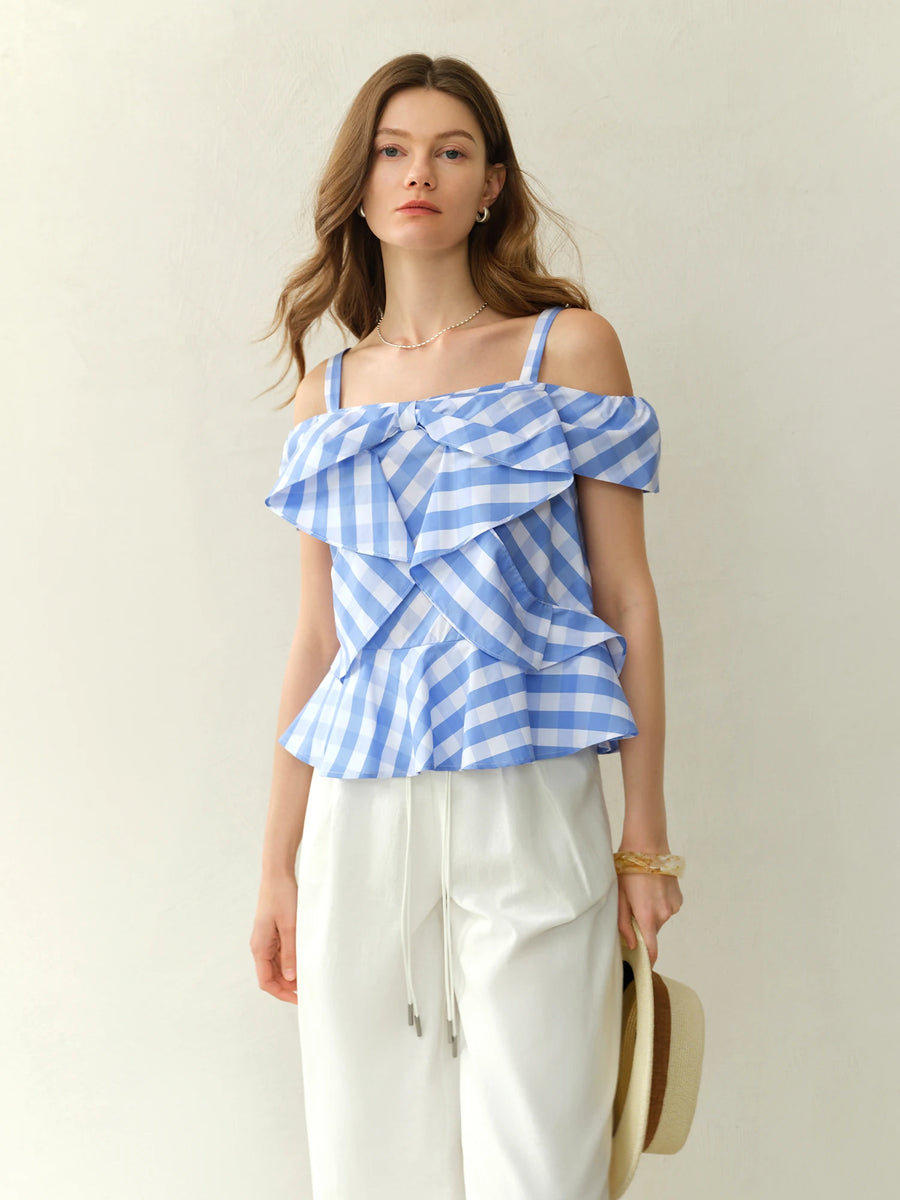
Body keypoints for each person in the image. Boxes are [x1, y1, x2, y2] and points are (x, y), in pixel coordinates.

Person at [250, 52, 683, 1200]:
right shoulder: (327, 396)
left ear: (492, 182)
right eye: (393, 150)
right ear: (360, 181)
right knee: (367, 1160)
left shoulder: (568, 352)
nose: (420, 174)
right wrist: (277, 865)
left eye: (452, 150)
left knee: (542, 1161)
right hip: (360, 805)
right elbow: (317, 643)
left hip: (527, 793)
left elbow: (627, 598)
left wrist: (643, 833)